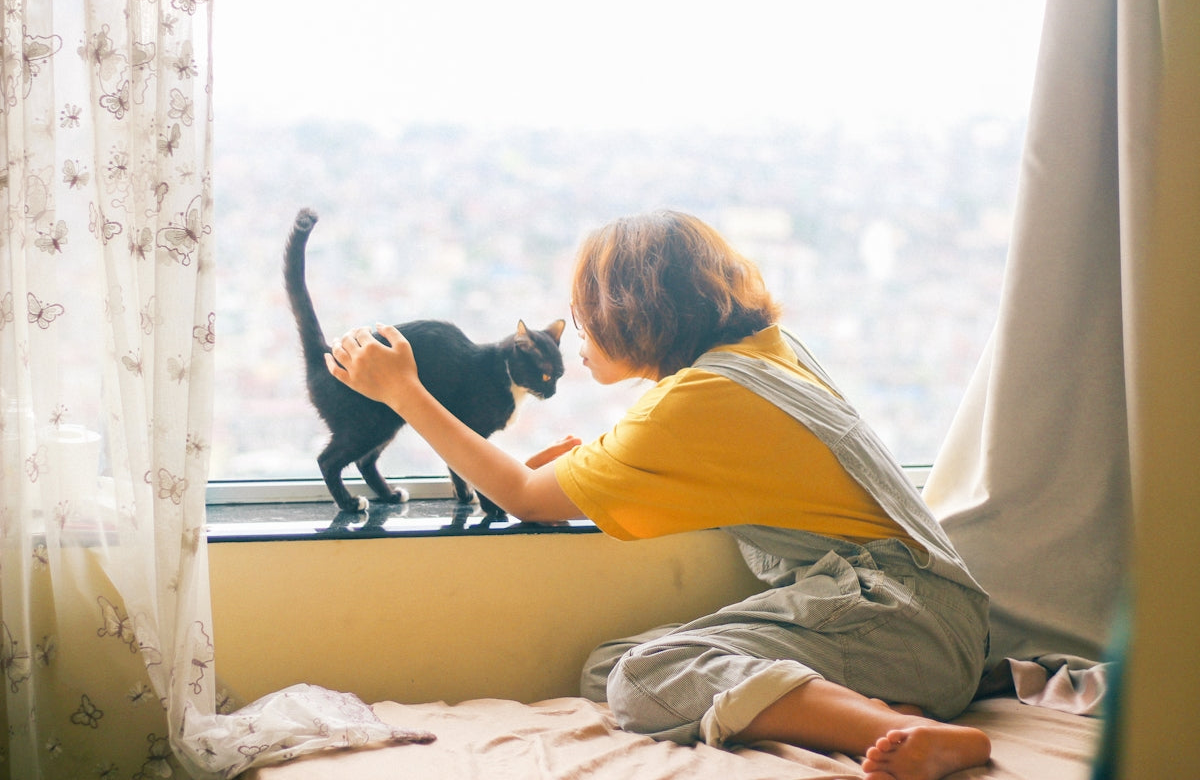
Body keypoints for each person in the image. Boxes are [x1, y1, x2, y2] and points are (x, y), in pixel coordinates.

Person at [326, 210, 992, 780]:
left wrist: (403, 393)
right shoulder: (763, 352)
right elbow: (720, 455)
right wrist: (595, 461)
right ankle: (896, 716)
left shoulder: (697, 402)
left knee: (645, 680)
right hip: (926, 614)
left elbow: (524, 495)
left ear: (631, 314)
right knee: (609, 670)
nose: (578, 343)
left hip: (898, 619)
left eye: (585, 322)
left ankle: (884, 724)